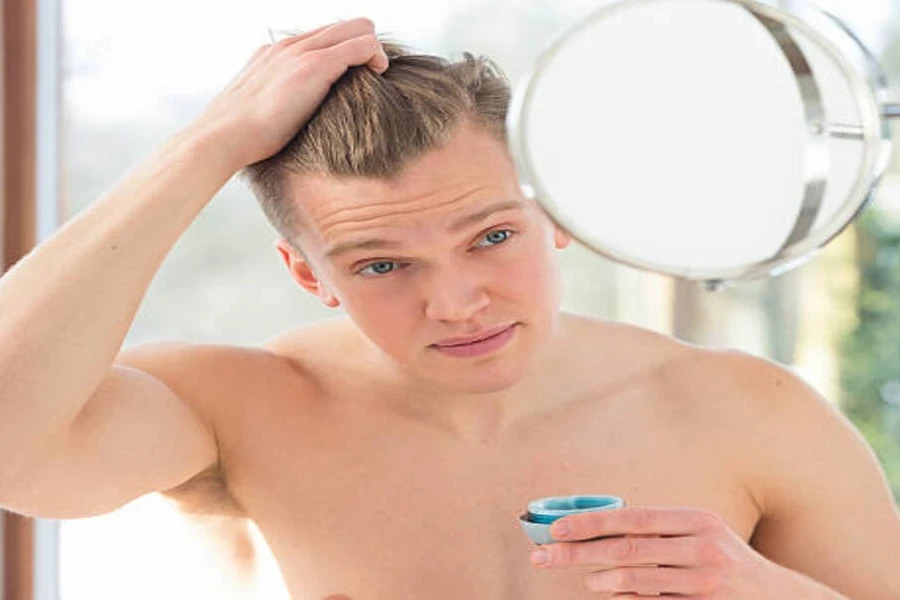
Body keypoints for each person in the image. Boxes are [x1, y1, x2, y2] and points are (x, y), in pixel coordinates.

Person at [0, 18, 898, 600]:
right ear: (310, 276)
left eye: (491, 237)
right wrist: (210, 142)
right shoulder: (247, 406)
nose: (456, 302)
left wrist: (768, 593)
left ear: (558, 214)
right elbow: (15, 450)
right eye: (381, 262)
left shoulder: (750, 412)